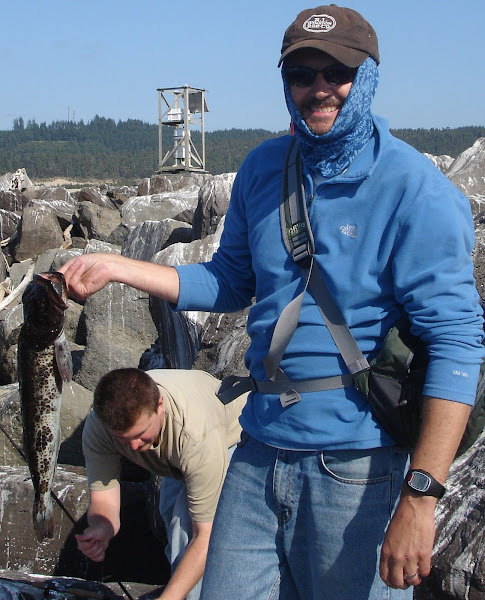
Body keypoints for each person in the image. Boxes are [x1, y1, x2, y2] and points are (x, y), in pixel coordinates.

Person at [60, 4, 484, 599]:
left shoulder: (417, 190)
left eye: (335, 72)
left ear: (367, 76)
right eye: (300, 75)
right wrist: (117, 267)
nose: (318, 89)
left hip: (359, 468)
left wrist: (421, 495)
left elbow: (458, 343)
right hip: (258, 453)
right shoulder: (263, 168)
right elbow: (228, 283)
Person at [76, 367, 246, 600]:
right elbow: (104, 500)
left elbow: (204, 537)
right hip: (175, 459)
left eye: (141, 434)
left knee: (184, 529)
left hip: (233, 436)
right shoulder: (100, 427)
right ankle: (180, 585)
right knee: (167, 513)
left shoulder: (196, 434)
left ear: (159, 406)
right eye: (123, 440)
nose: (134, 447)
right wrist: (101, 527)